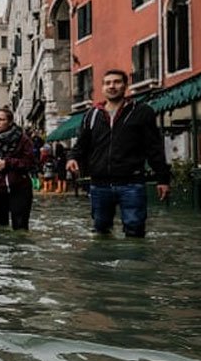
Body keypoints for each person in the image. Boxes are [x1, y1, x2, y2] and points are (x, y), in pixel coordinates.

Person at [66, 69, 171, 237]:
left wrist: (162, 179)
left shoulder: (142, 112)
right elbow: (81, 145)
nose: (112, 86)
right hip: (99, 184)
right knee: (100, 230)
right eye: (107, 83)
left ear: (125, 86)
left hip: (132, 183)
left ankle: (133, 262)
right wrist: (72, 158)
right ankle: (103, 262)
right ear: (102, 88)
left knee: (135, 230)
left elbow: (154, 148)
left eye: (116, 82)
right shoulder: (91, 115)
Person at [0, 107, 35, 230]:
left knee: (20, 227)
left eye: (1, 119)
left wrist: (7, 163)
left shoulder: (23, 140)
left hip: (19, 187)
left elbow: (30, 163)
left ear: (10, 121)